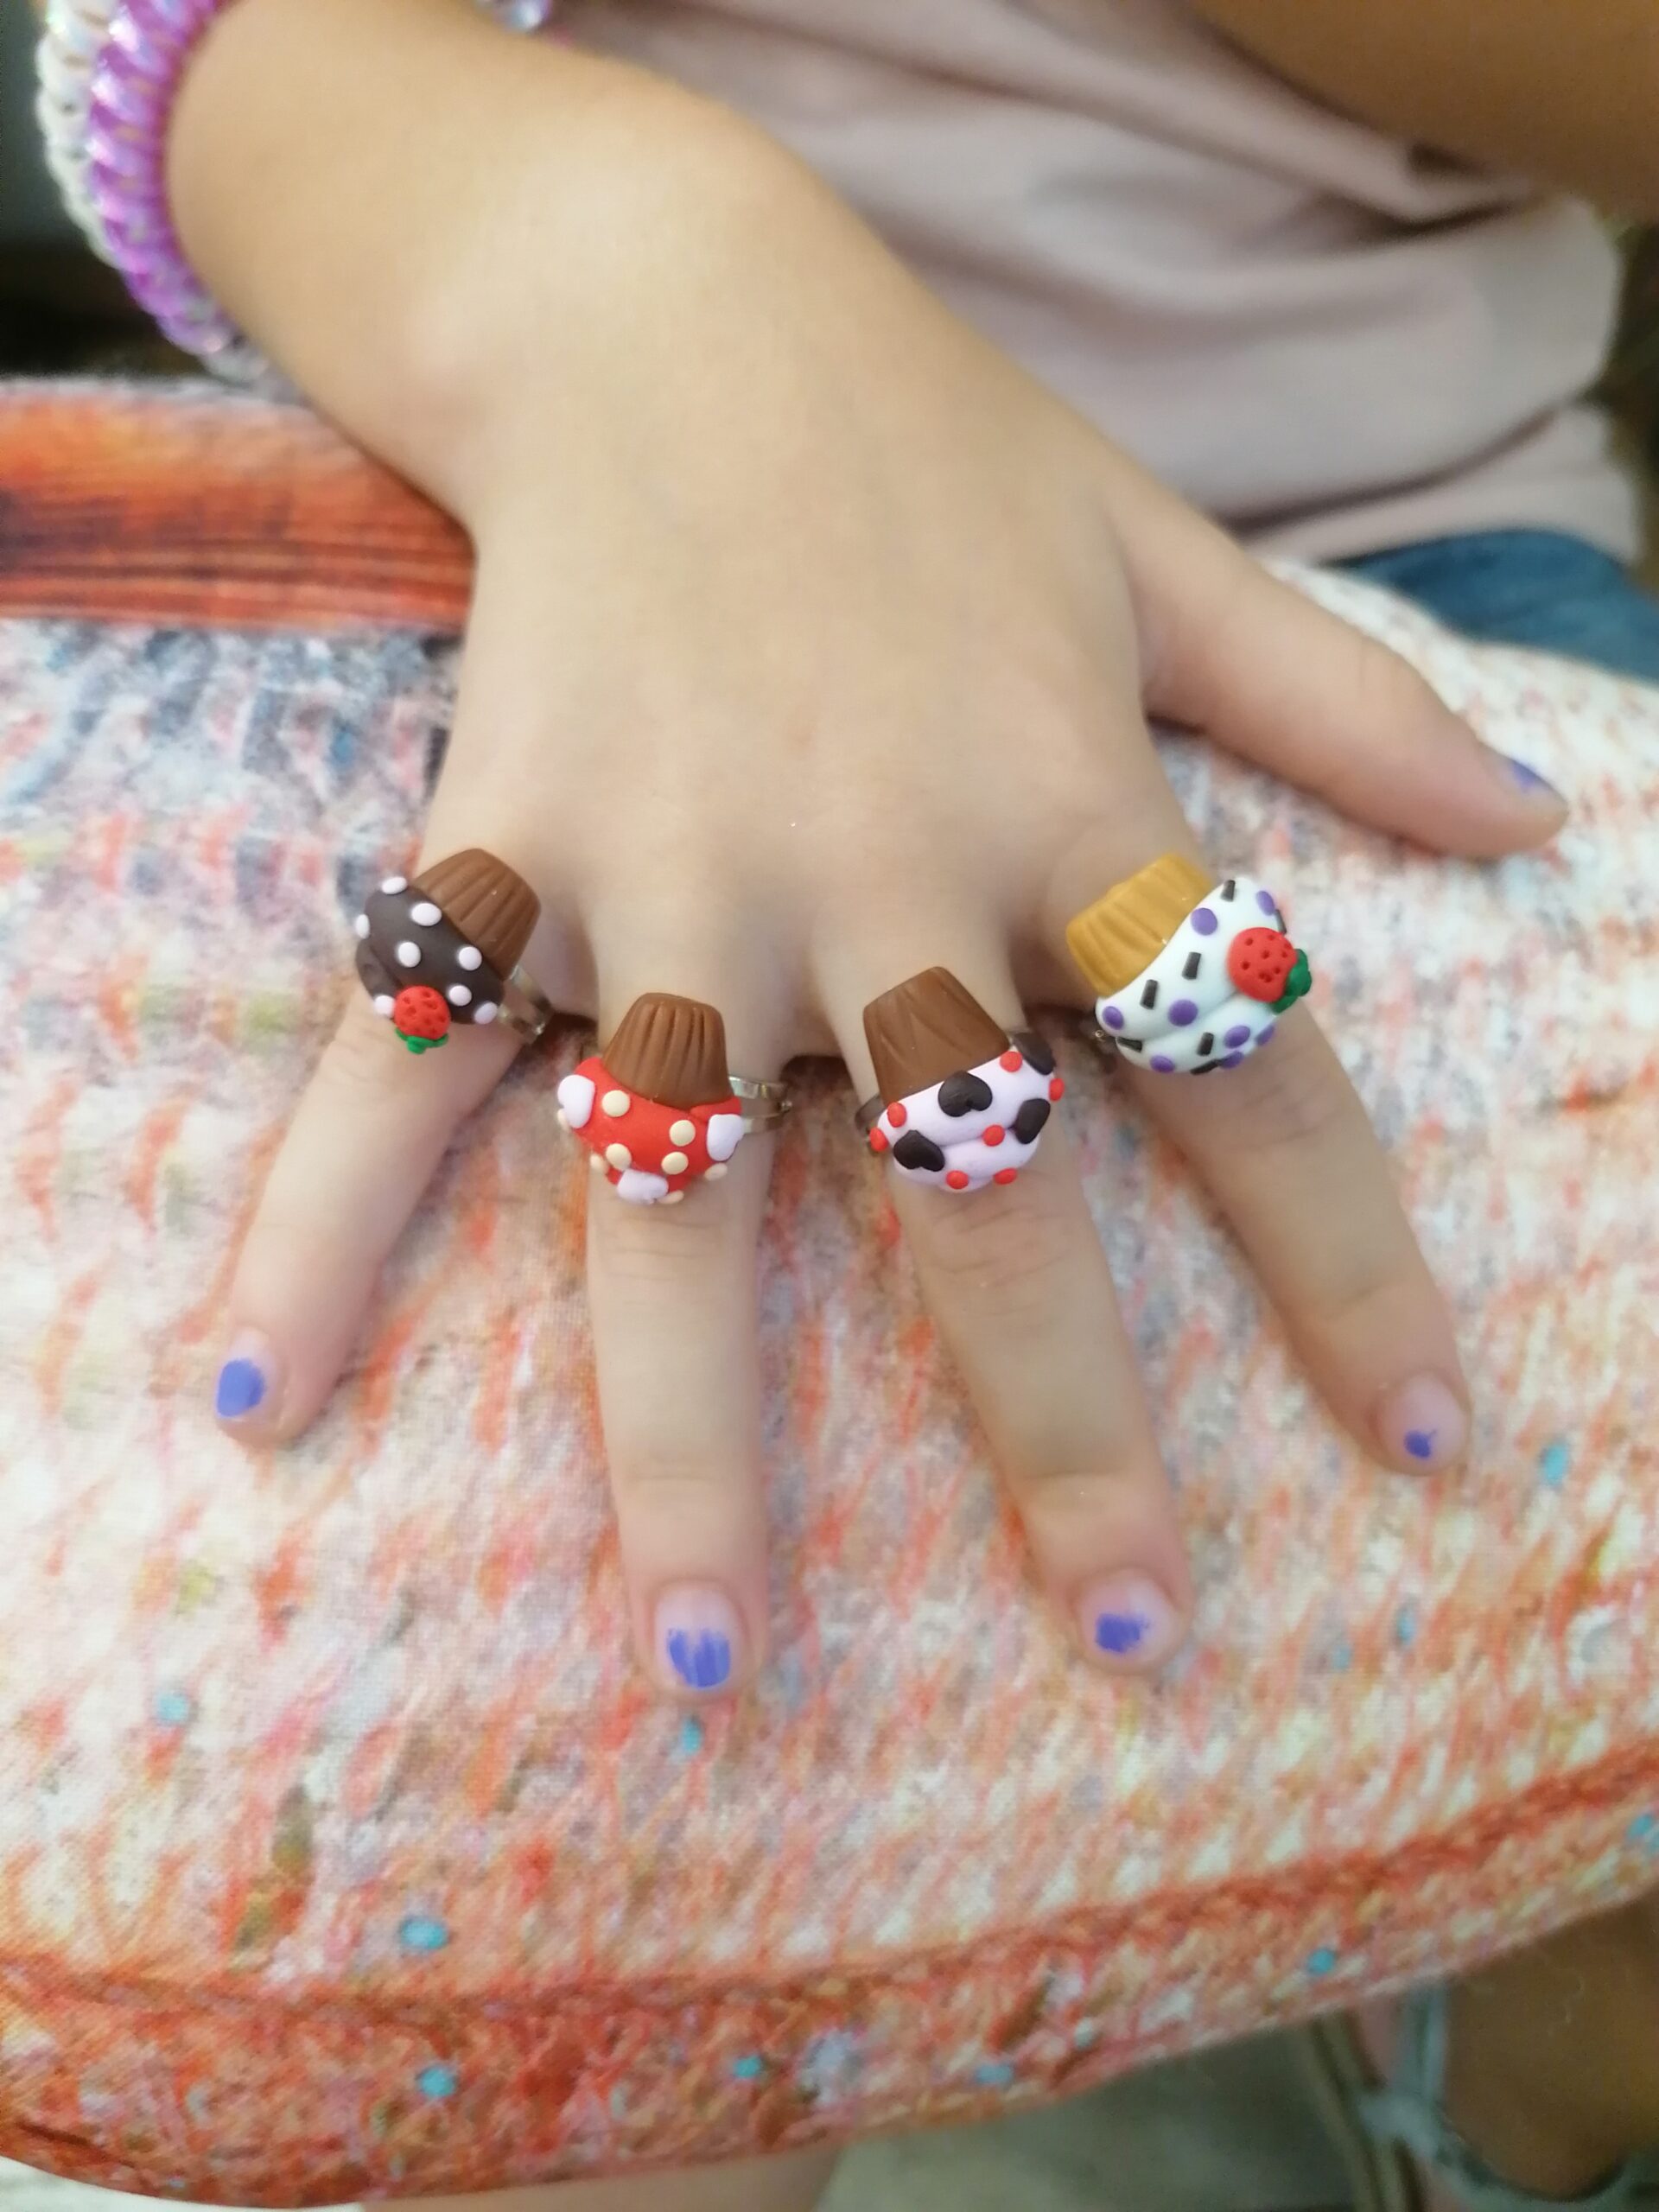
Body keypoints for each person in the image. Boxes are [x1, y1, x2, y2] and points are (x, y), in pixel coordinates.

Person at [29, 1, 1659, 2206]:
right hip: (560, 589)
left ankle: (1493, 1998)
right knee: (518, 1917)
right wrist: (619, 244)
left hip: (1392, 602)